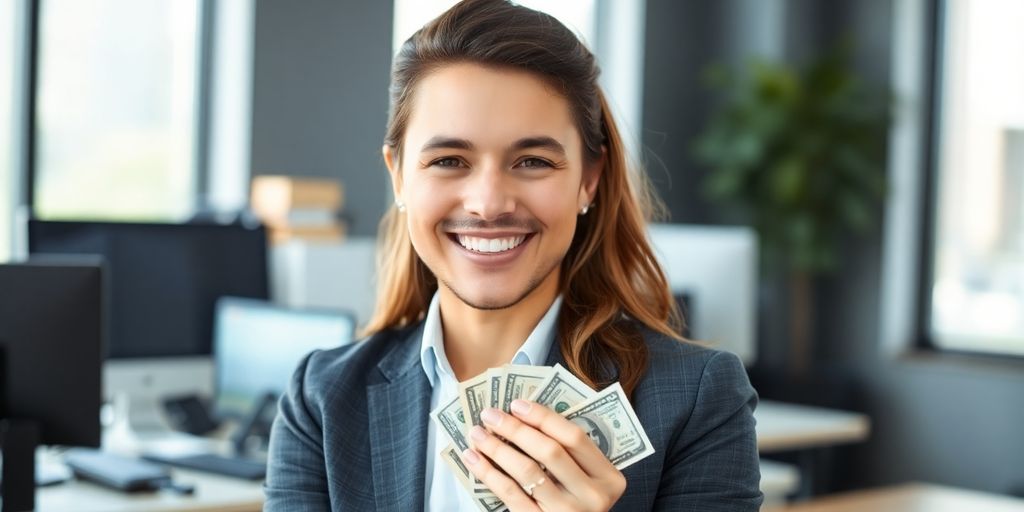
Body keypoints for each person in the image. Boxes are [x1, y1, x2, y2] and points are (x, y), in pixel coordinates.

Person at [264, 0, 762, 510]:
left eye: (532, 161)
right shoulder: (322, 398)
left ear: (588, 180)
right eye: (449, 160)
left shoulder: (700, 399)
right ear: (398, 175)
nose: (489, 204)